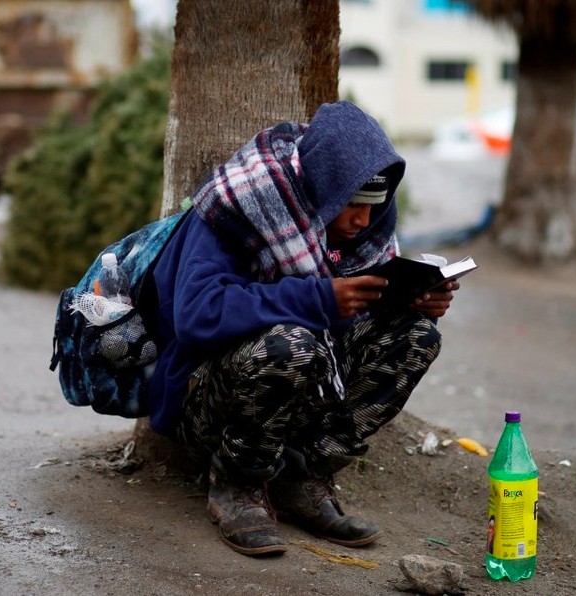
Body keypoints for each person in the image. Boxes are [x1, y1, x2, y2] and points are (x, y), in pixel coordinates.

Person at [146, 101, 458, 557]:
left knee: (416, 338)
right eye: (352, 204)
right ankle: (238, 484)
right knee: (293, 344)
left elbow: (364, 317)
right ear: (324, 189)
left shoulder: (364, 231)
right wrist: (318, 300)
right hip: (210, 401)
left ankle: (303, 477)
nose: (363, 222)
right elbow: (195, 314)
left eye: (374, 207)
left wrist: (418, 303)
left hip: (304, 399)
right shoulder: (239, 206)